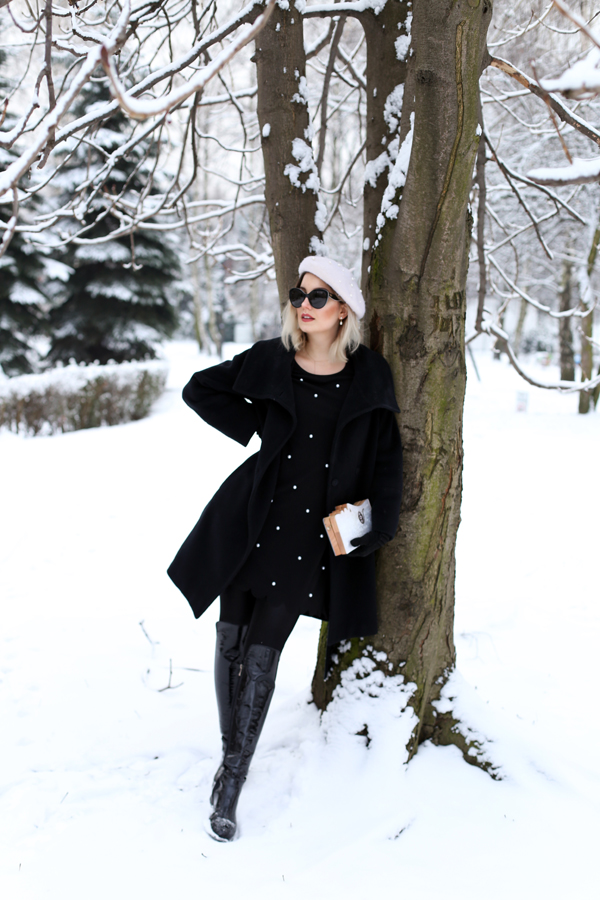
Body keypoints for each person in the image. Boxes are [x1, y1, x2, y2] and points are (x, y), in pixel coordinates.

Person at [168, 256, 403, 841]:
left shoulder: (369, 375)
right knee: (230, 641)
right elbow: (200, 389)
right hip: (252, 519)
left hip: (308, 540)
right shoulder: (273, 359)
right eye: (300, 294)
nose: (305, 305)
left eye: (319, 297)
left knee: (262, 655)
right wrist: (257, 424)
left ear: (343, 310)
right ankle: (232, 757)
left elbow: (386, 460)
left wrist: (377, 525)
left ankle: (231, 782)